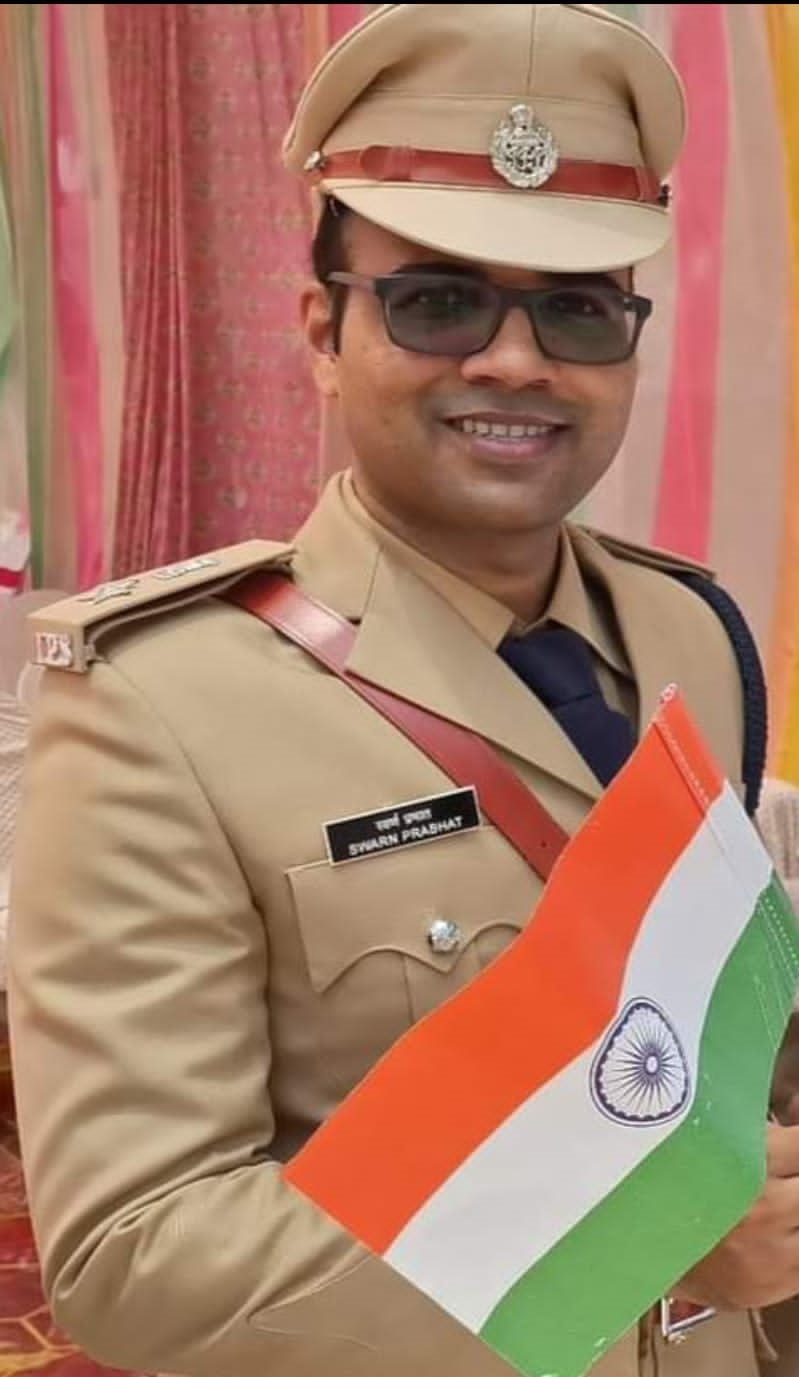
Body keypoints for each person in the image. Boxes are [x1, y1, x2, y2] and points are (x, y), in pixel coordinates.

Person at [7, 5, 799, 1377]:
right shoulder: (160, 707)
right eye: (438, 300)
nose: (514, 359)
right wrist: (636, 1232)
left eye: (577, 307)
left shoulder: (692, 631)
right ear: (323, 331)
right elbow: (133, 1256)